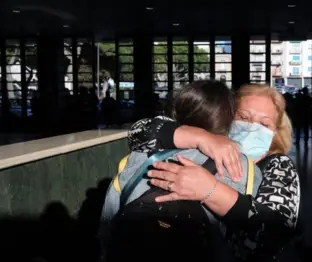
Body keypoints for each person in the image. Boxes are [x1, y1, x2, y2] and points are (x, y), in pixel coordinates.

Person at [128, 83, 301, 261]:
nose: (251, 127)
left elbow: (277, 229)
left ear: (275, 132)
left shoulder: (279, 165)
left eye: (264, 123)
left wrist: (210, 190)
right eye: (243, 117)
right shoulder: (207, 147)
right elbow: (138, 132)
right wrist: (201, 137)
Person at [101, 81, 263, 262]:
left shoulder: (140, 154)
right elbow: (250, 238)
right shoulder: (242, 166)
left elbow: (109, 219)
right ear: (229, 120)